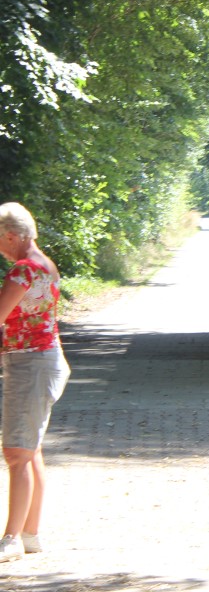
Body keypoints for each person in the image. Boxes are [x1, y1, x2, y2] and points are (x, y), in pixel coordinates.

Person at [0, 203, 71, 562]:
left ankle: (10, 539)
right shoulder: (45, 264)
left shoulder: (22, 271)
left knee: (16, 453)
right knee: (29, 451)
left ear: (11, 235)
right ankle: (29, 535)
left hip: (30, 364)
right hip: (42, 360)